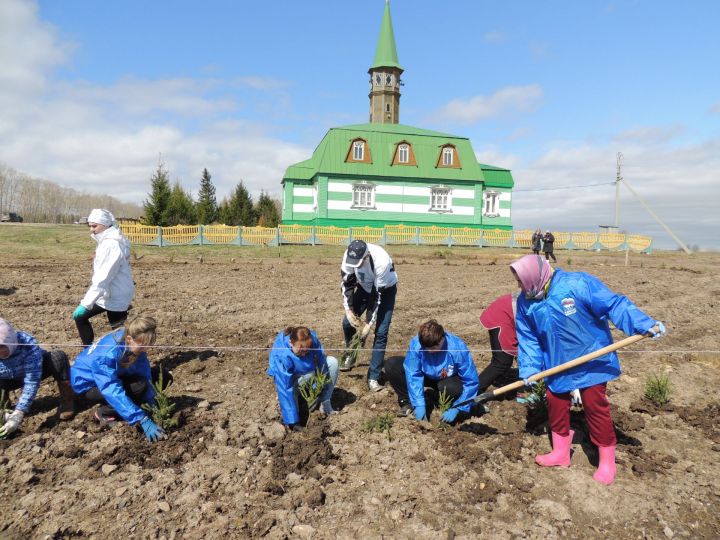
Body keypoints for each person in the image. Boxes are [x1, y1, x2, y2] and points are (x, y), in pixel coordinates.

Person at [509, 254, 666, 485]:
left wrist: (643, 324)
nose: (519, 286)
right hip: (558, 362)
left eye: (521, 280)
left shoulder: (577, 284)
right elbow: (528, 338)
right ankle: (561, 453)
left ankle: (606, 460)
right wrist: (530, 368)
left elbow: (613, 304)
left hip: (592, 358)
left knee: (595, 406)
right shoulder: (526, 302)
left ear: (534, 276)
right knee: (555, 401)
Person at [70, 315, 170, 442]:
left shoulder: (134, 338)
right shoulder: (108, 356)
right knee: (139, 387)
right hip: (88, 384)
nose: (146, 350)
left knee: (162, 376)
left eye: (148, 346)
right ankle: (103, 413)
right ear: (129, 339)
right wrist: (141, 418)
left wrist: (151, 399)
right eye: (142, 347)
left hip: (113, 375)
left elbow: (143, 370)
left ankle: (132, 406)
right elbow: (111, 389)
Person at [385, 319, 479, 423]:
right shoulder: (417, 345)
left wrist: (459, 407)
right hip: (426, 376)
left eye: (433, 347)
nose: (429, 351)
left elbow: (471, 381)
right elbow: (413, 374)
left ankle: (453, 405)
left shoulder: (457, 347)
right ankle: (407, 402)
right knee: (392, 364)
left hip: (448, 379)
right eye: (426, 348)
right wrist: (419, 404)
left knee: (451, 387)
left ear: (442, 339)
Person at [0, 318, 75, 438]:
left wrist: (19, 412)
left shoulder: (28, 346)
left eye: (1, 347)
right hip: (6, 380)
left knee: (57, 358)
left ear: (10, 341)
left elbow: (31, 380)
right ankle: (3, 405)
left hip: (34, 373)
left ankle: (67, 401)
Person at [340, 239, 398, 393]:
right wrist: (348, 310)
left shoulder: (382, 262)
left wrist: (368, 324)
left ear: (366, 256)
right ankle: (350, 354)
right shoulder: (349, 256)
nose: (355, 265)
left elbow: (377, 297)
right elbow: (346, 284)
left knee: (381, 333)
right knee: (347, 323)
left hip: (385, 292)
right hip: (364, 288)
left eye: (358, 262)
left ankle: (374, 376)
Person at [73, 209, 135, 346]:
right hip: (110, 292)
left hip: (116, 294)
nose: (91, 230)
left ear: (106, 224)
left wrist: (85, 304)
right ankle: (88, 353)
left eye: (94, 226)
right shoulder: (109, 241)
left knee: (119, 334)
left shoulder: (111, 245)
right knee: (82, 319)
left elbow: (103, 278)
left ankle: (129, 361)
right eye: (89, 225)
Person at [267, 326, 339, 431]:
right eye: (300, 351)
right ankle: (297, 407)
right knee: (305, 378)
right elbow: (285, 386)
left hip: (308, 375)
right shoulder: (282, 355)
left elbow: (322, 364)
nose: (304, 354)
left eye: (307, 351)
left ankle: (324, 404)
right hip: (290, 381)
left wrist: (319, 388)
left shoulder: (312, 342)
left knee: (332, 362)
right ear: (291, 343)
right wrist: (293, 422)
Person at [478, 294, 521, 394]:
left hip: (509, 312)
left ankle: (501, 378)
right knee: (502, 361)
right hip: (503, 314)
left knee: (504, 361)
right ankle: (473, 395)